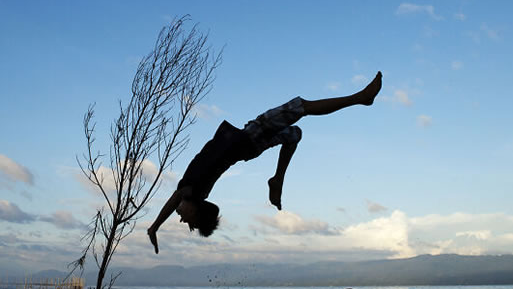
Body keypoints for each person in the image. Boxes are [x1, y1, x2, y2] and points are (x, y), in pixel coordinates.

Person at [147, 72, 382, 253]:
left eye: (184, 219)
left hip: (251, 145)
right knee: (300, 107)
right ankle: (360, 98)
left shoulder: (193, 192)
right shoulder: (192, 191)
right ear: (196, 209)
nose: (181, 218)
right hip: (251, 137)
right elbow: (177, 201)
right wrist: (159, 224)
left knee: (294, 134)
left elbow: (177, 203)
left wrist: (158, 225)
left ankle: (277, 178)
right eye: (187, 220)